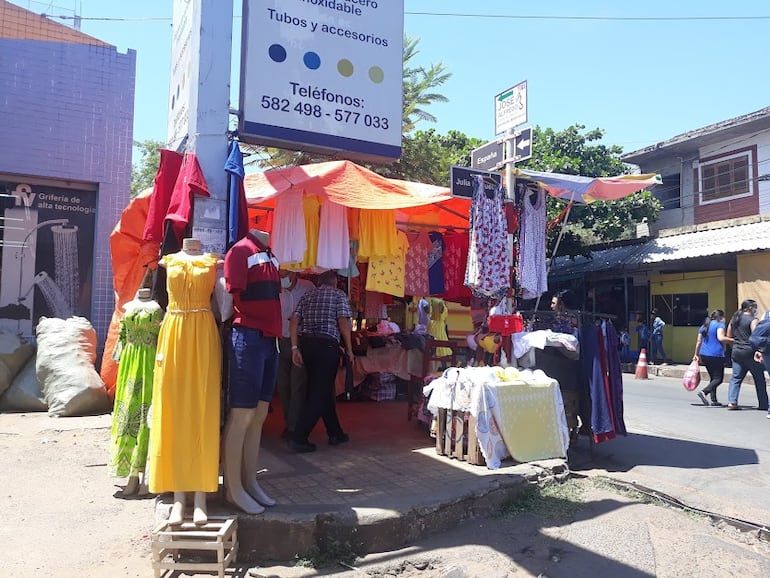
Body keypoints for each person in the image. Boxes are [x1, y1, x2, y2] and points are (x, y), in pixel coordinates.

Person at [149, 238, 222, 525]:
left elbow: (223, 302)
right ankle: (179, 496)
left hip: (203, 331)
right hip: (175, 329)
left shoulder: (212, 261)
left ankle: (201, 495)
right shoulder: (168, 261)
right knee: (175, 411)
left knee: (203, 411)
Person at [222, 229, 282, 515]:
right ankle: (233, 488)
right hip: (247, 336)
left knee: (258, 414)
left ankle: (250, 481)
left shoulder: (272, 256)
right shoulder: (240, 251)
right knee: (242, 413)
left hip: (270, 340)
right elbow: (232, 293)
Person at [289, 269, 353, 453]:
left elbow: (294, 320)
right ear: (334, 281)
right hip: (327, 346)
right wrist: (349, 349)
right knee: (319, 392)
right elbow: (343, 323)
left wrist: (295, 348)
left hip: (307, 344)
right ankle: (299, 437)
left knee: (321, 390)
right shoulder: (338, 295)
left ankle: (335, 432)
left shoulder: (308, 295)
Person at [109, 287, 162, 497]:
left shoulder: (157, 310)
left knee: (146, 418)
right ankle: (132, 475)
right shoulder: (128, 307)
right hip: (129, 366)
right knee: (127, 415)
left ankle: (146, 478)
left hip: (149, 364)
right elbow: (121, 340)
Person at [277, 269, 314, 439]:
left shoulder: (308, 288)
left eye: (284, 274)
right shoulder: (275, 289)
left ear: (293, 273)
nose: (282, 277)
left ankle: (294, 426)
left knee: (297, 384)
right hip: (279, 341)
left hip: (300, 341)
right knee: (282, 385)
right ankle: (288, 420)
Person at [725, 299, 767, 411]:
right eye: (755, 307)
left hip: (736, 352)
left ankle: (732, 402)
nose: (756, 309)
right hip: (750, 353)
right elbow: (756, 337)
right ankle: (763, 404)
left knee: (736, 378)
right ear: (750, 308)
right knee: (759, 379)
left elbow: (729, 336)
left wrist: (736, 345)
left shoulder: (734, 319)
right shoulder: (753, 320)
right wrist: (759, 351)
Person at [693, 309, 731, 406]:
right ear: (720, 317)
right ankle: (704, 392)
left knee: (713, 377)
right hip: (716, 354)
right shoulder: (720, 325)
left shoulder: (704, 326)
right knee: (718, 379)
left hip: (704, 354)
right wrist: (734, 340)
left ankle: (714, 400)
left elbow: (699, 341)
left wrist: (696, 354)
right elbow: (721, 338)